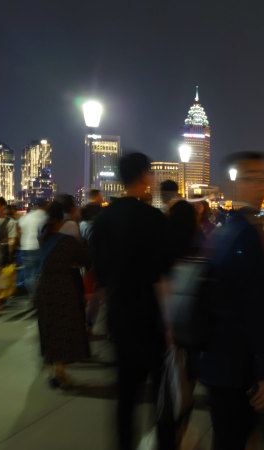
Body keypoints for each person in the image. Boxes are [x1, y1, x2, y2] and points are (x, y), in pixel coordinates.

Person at [194, 152, 264, 449]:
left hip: (218, 360)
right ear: (238, 181)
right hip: (236, 364)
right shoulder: (245, 235)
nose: (263, 187)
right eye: (254, 179)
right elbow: (256, 309)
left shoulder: (224, 229)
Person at [90, 152, 175, 450]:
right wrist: (168, 324)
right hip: (149, 316)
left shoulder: (104, 219)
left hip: (119, 315)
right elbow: (160, 278)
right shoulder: (153, 219)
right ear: (143, 175)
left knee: (125, 395)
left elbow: (99, 276)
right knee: (160, 394)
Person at [35, 200, 90, 388]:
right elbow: (84, 259)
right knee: (63, 328)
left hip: (44, 287)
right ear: (62, 218)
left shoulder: (44, 238)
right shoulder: (67, 241)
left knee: (49, 328)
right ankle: (60, 372)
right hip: (64, 287)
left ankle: (54, 368)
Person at [18, 199, 48, 300]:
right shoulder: (45, 217)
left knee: (28, 274)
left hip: (25, 247)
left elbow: (20, 231)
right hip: (38, 248)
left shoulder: (26, 217)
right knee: (38, 274)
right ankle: (37, 296)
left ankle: (32, 296)